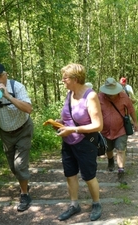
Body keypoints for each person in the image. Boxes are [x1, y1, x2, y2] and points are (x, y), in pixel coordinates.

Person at [55, 63, 103, 221]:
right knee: (70, 174)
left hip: (85, 142)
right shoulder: (69, 94)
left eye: (65, 78)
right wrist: (60, 122)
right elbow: (68, 116)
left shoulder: (90, 96)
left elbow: (98, 125)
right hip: (68, 141)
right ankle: (74, 205)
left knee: (89, 176)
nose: (63, 80)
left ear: (75, 79)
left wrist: (73, 130)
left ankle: (96, 204)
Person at [0, 63, 33, 212]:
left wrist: (7, 96)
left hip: (23, 129)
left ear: (5, 75)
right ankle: (24, 182)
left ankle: (25, 194)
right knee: (13, 166)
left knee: (19, 165)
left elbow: (28, 109)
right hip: (5, 133)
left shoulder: (17, 87)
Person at [98, 78, 138, 185]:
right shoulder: (99, 97)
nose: (111, 95)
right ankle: (110, 160)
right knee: (108, 148)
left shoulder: (124, 96)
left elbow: (131, 110)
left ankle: (121, 171)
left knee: (121, 149)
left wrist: (135, 122)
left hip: (121, 129)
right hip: (104, 130)